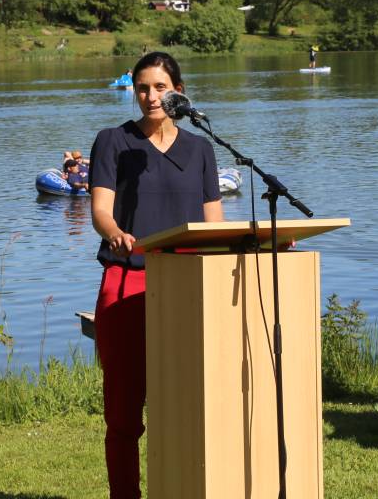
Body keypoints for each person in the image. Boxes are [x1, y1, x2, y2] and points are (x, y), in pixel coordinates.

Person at [89, 51, 223, 498]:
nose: (150, 96)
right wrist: (115, 234)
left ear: (178, 92)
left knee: (188, 405)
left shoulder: (201, 148)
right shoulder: (113, 141)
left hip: (189, 286)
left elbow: (214, 227)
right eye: (142, 87)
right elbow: (101, 212)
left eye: (160, 87)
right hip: (128, 281)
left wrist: (271, 243)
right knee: (124, 412)